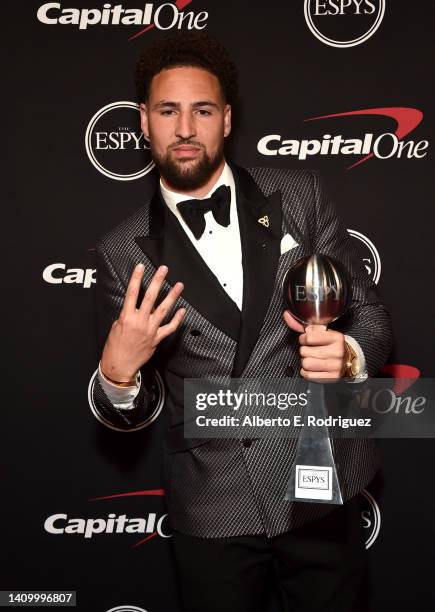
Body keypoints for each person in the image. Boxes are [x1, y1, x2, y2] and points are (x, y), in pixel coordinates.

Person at [92, 32, 393, 612]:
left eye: (202, 110)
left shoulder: (299, 196)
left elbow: (372, 317)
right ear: (142, 123)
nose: (185, 128)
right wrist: (116, 375)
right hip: (214, 505)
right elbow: (133, 405)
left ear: (226, 120)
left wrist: (350, 356)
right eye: (168, 111)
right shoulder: (120, 249)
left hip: (319, 485)